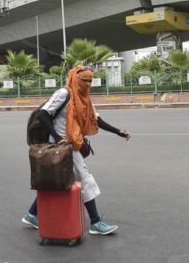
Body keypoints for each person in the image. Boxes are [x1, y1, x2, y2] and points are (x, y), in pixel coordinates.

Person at [22, 65, 131, 236]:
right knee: (85, 178)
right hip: (62, 146)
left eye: (90, 81)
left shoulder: (85, 98)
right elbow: (43, 114)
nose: (87, 84)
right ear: (75, 78)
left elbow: (96, 120)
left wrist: (118, 132)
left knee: (61, 179)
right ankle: (95, 222)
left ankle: (31, 214)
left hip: (74, 143)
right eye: (84, 80)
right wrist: (58, 138)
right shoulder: (64, 93)